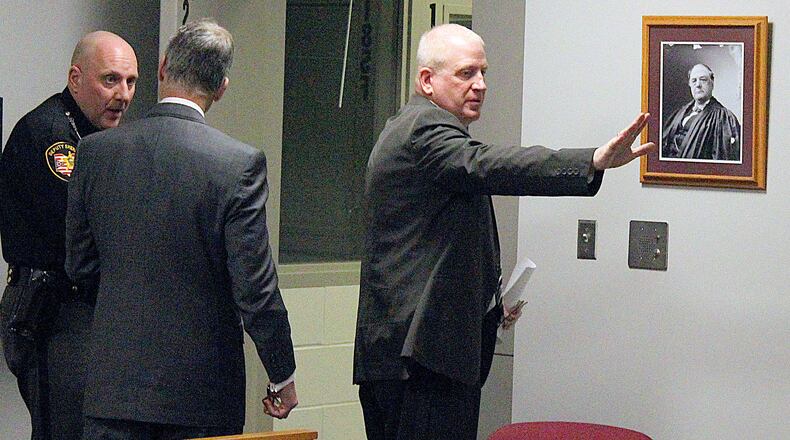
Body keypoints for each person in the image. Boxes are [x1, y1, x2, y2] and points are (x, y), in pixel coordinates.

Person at [352, 24, 656, 440]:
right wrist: (593, 160)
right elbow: (492, 165)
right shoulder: (424, 130)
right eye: (466, 73)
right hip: (418, 363)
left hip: (421, 356)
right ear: (427, 80)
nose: (480, 84)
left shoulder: (423, 130)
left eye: (483, 72)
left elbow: (437, 245)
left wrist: (489, 304)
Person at [64, 19, 298, 438]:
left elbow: (80, 266)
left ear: (162, 68)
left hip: (113, 390)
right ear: (222, 87)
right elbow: (255, 289)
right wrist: (281, 372)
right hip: (199, 396)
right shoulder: (237, 164)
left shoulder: (95, 152)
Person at [0, 31, 138, 440]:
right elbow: (88, 229)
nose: (124, 94)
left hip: (81, 310)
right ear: (76, 78)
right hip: (50, 310)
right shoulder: (51, 136)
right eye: (110, 80)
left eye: (131, 82)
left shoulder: (94, 137)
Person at [662, 63, 741, 161]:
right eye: (694, 81)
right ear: (690, 85)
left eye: (703, 80)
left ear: (712, 82)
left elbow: (723, 157)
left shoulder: (724, 118)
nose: (698, 85)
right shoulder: (679, 113)